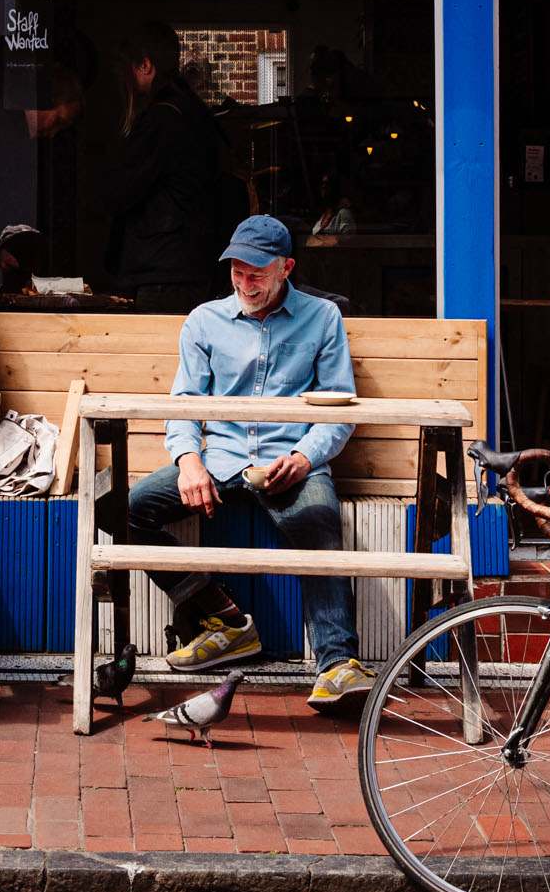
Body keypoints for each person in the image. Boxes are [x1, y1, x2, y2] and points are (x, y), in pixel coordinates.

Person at [122, 214, 371, 711]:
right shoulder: (204, 321)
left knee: (321, 522)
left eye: (257, 271)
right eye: (237, 268)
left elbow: (340, 411)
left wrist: (304, 458)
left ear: (287, 268)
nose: (245, 281)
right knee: (127, 509)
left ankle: (337, 665)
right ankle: (226, 618)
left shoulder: (322, 317)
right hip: (221, 462)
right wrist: (190, 462)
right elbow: (183, 406)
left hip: (292, 463)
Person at [104, 20, 225, 311]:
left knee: (156, 354)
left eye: (128, 69)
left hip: (164, 269)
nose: (125, 79)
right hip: (192, 262)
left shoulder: (161, 119)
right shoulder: (192, 109)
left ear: (145, 65)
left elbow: (120, 193)